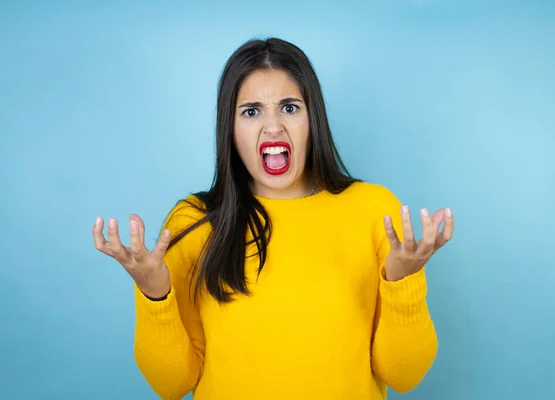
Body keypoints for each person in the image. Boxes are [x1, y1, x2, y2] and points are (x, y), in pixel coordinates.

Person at [92, 37, 454, 400]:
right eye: (251, 111)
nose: (273, 127)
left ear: (313, 119)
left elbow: (405, 375)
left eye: (290, 108)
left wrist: (404, 278)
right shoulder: (195, 221)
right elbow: (171, 385)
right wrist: (153, 292)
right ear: (229, 129)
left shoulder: (374, 210)